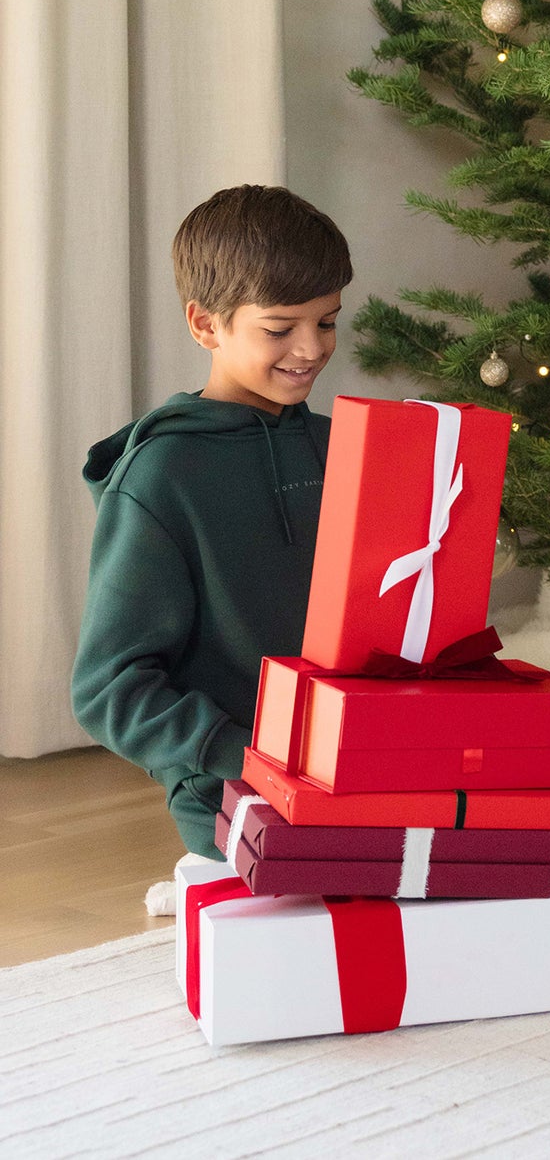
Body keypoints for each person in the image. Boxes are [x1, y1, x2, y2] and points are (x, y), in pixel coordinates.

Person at [72, 184, 350, 859]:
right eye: (280, 328)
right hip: (236, 788)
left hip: (355, 760)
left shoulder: (343, 442)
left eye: (329, 320)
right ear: (206, 325)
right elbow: (110, 688)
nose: (311, 348)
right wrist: (239, 753)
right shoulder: (163, 475)